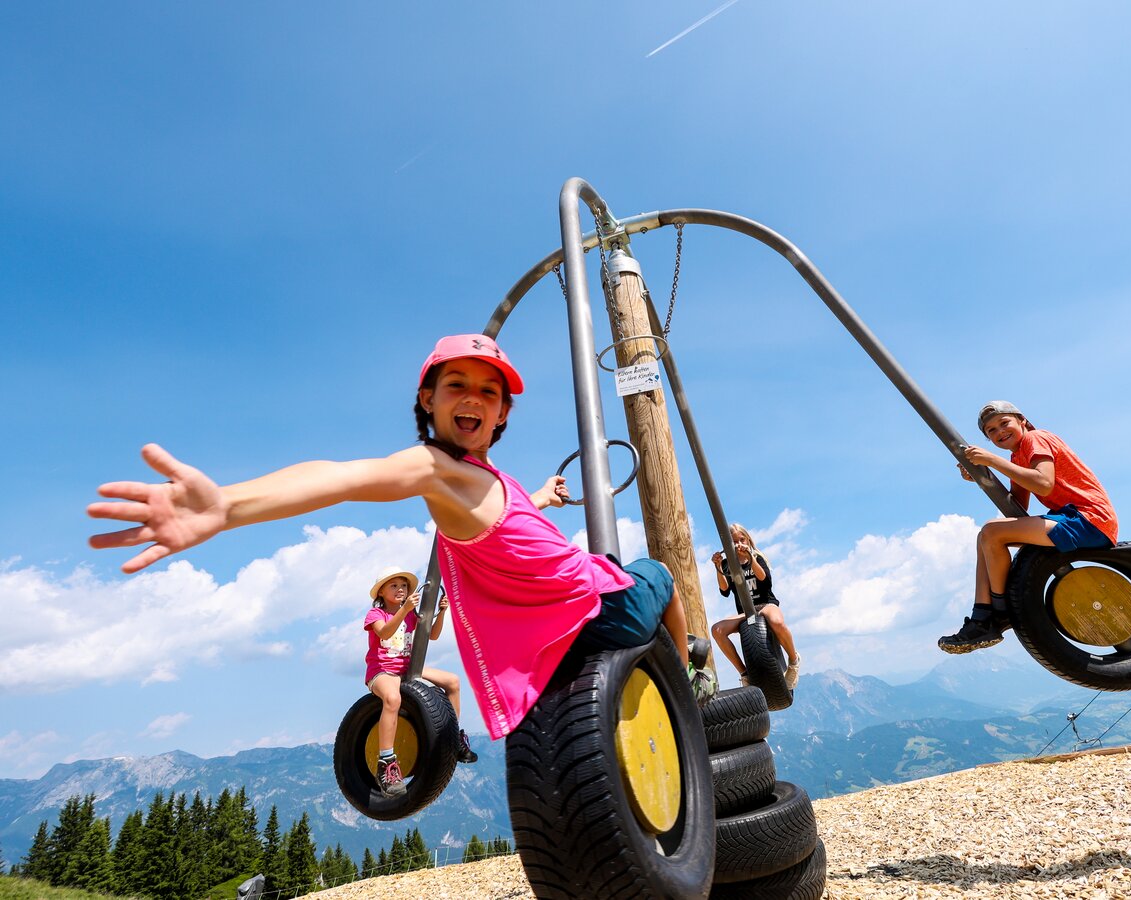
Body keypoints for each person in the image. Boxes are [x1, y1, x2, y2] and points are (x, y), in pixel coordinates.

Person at [87, 333, 716, 762]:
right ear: (427, 400)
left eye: (489, 391)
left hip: (577, 598)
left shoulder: (482, 483)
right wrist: (228, 505)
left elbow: (507, 526)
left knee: (610, 564)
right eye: (456, 384)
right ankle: (690, 670)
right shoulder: (435, 469)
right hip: (601, 611)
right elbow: (343, 476)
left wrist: (542, 497)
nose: (472, 397)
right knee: (659, 573)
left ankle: (675, 661)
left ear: (502, 413)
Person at [939, 400, 1118, 653]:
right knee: (986, 536)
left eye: (1004, 423)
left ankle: (1001, 612)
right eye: (991, 430)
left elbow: (1043, 483)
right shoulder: (1017, 457)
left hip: (1089, 519)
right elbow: (1016, 507)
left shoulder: (1036, 438)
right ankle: (981, 617)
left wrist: (992, 461)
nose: (1000, 431)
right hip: (1071, 519)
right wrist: (980, 476)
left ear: (1022, 420)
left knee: (991, 531)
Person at [364, 566, 477, 797]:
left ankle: (453, 737)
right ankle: (386, 762)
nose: (400, 589)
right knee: (392, 698)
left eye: (403, 586)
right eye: (394, 585)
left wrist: (441, 612)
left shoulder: (411, 614)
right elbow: (384, 633)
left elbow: (432, 635)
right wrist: (405, 609)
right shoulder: (376, 615)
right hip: (382, 671)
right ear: (381, 592)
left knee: (453, 682)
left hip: (407, 668)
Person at [708, 523, 801, 690]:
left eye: (741, 539)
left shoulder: (757, 557)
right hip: (746, 611)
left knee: (777, 622)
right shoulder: (728, 564)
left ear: (748, 540)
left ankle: (794, 661)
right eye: (734, 541)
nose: (738, 544)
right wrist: (718, 567)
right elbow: (724, 590)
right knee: (717, 630)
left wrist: (750, 558)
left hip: (766, 604)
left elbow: (765, 580)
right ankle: (744, 673)